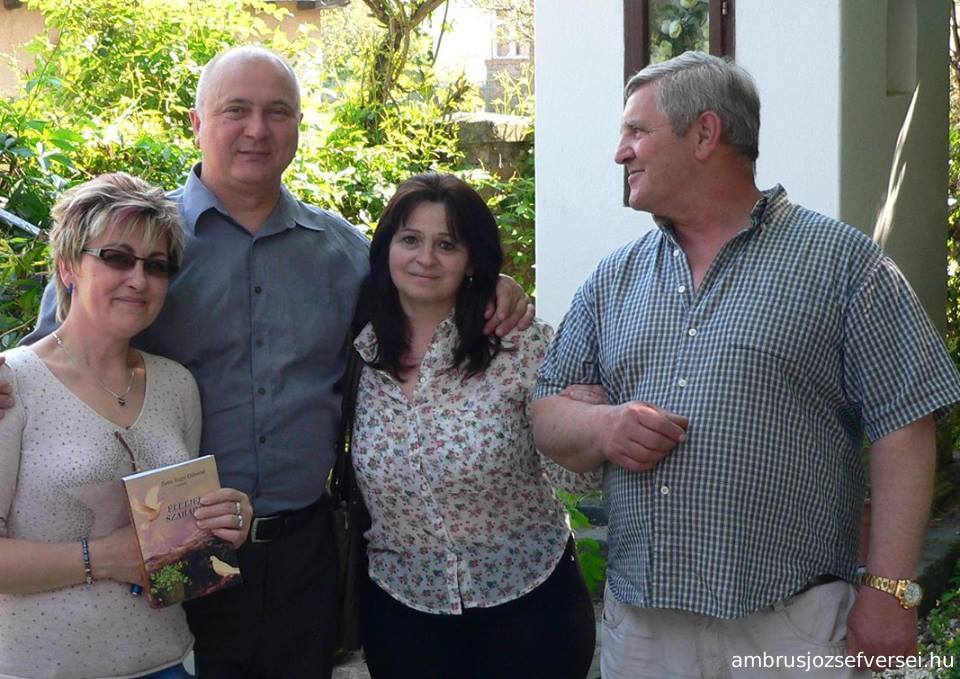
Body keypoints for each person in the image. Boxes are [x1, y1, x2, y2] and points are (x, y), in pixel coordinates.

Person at [4, 46, 531, 678]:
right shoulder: (139, 246)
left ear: (298, 127)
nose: (257, 129)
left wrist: (491, 288)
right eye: (236, 110)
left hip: (302, 557)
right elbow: (50, 368)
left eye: (277, 112)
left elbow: (423, 305)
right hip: (169, 550)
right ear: (197, 123)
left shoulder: (343, 254)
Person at [530, 51, 960, 679]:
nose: (620, 153)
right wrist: (601, 427)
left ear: (705, 133)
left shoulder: (843, 264)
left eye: (637, 131)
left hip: (792, 624)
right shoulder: (614, 277)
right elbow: (545, 410)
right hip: (644, 628)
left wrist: (892, 592)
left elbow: (907, 423)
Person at [0, 173, 252, 679]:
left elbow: (177, 535)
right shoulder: (13, 383)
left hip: (168, 660)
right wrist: (102, 557)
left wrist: (225, 522)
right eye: (116, 258)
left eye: (156, 265)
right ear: (68, 266)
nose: (138, 279)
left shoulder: (176, 384)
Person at [351, 173, 595, 679]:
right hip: (403, 610)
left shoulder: (520, 345)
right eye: (410, 239)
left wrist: (588, 424)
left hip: (529, 605)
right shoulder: (357, 353)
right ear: (386, 248)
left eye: (447, 244)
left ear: (472, 260)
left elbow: (581, 478)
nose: (426, 258)